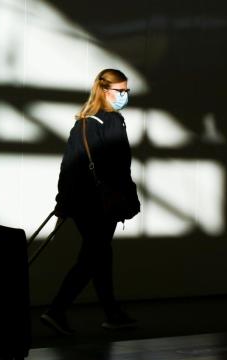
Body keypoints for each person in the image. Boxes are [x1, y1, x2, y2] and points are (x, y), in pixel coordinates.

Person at [41, 69, 141, 336]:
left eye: (126, 91)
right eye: (120, 91)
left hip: (83, 204)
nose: (124, 96)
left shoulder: (84, 122)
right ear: (104, 90)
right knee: (92, 258)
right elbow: (120, 168)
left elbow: (69, 166)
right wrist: (128, 198)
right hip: (101, 205)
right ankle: (56, 310)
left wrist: (63, 202)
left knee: (100, 255)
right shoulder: (111, 121)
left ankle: (112, 312)